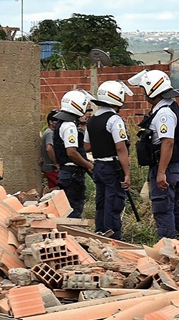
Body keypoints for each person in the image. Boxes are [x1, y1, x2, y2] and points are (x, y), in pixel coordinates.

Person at [129, 69, 179, 241]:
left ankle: (168, 248)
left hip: (166, 168)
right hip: (173, 167)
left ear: (151, 89)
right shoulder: (168, 107)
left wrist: (161, 172)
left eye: (143, 89)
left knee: (163, 209)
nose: (143, 93)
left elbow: (167, 142)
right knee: (175, 208)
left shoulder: (164, 113)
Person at [88, 80, 133, 240]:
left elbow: (87, 145)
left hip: (98, 165)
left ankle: (99, 234)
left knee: (101, 202)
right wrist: (127, 173)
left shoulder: (92, 120)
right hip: (112, 167)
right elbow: (121, 148)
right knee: (113, 204)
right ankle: (113, 239)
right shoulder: (114, 120)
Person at [51, 89, 95, 217]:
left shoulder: (61, 123)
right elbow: (71, 152)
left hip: (66, 173)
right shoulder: (69, 126)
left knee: (67, 208)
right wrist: (88, 165)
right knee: (74, 209)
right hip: (72, 174)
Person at [40, 110, 61, 191]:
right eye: (56, 121)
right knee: (59, 188)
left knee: (54, 190)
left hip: (49, 166)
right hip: (51, 167)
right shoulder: (50, 133)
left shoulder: (49, 133)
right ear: (50, 122)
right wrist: (55, 163)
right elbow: (49, 148)